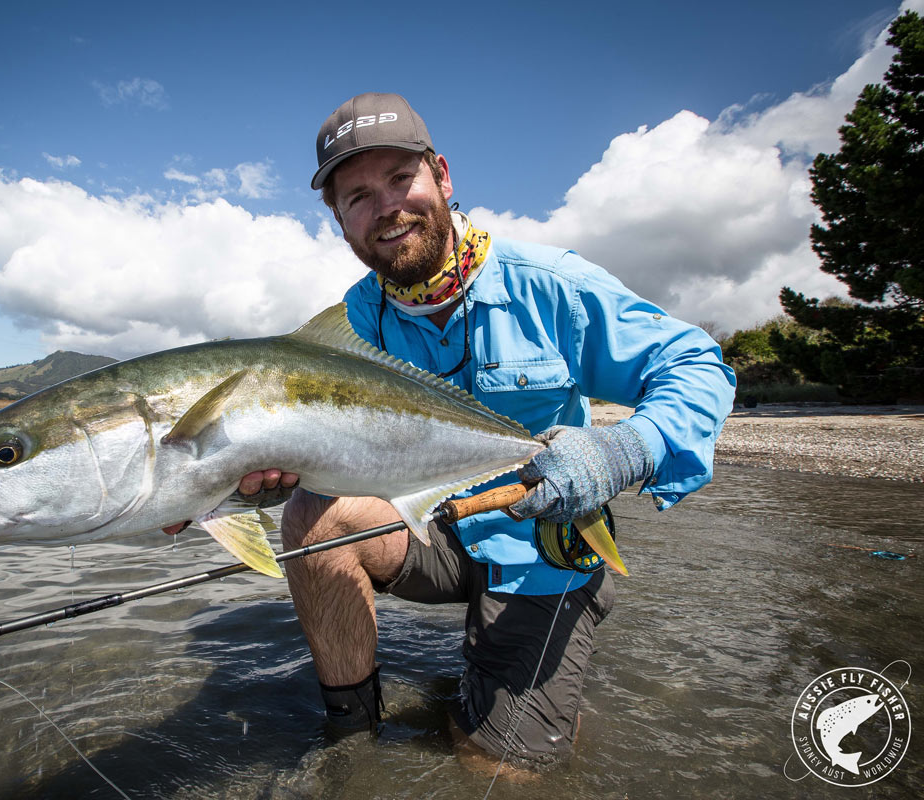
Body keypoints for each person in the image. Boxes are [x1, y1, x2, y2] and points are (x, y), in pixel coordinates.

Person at [171, 92, 735, 771]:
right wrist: (230, 490)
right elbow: (304, 448)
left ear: (441, 175)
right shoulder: (351, 323)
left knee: (489, 767)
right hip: (432, 530)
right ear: (340, 223)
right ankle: (351, 740)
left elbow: (694, 364)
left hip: (544, 550)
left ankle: (531, 698)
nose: (386, 207)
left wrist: (626, 450)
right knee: (311, 515)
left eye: (400, 179)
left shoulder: (548, 284)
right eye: (357, 197)